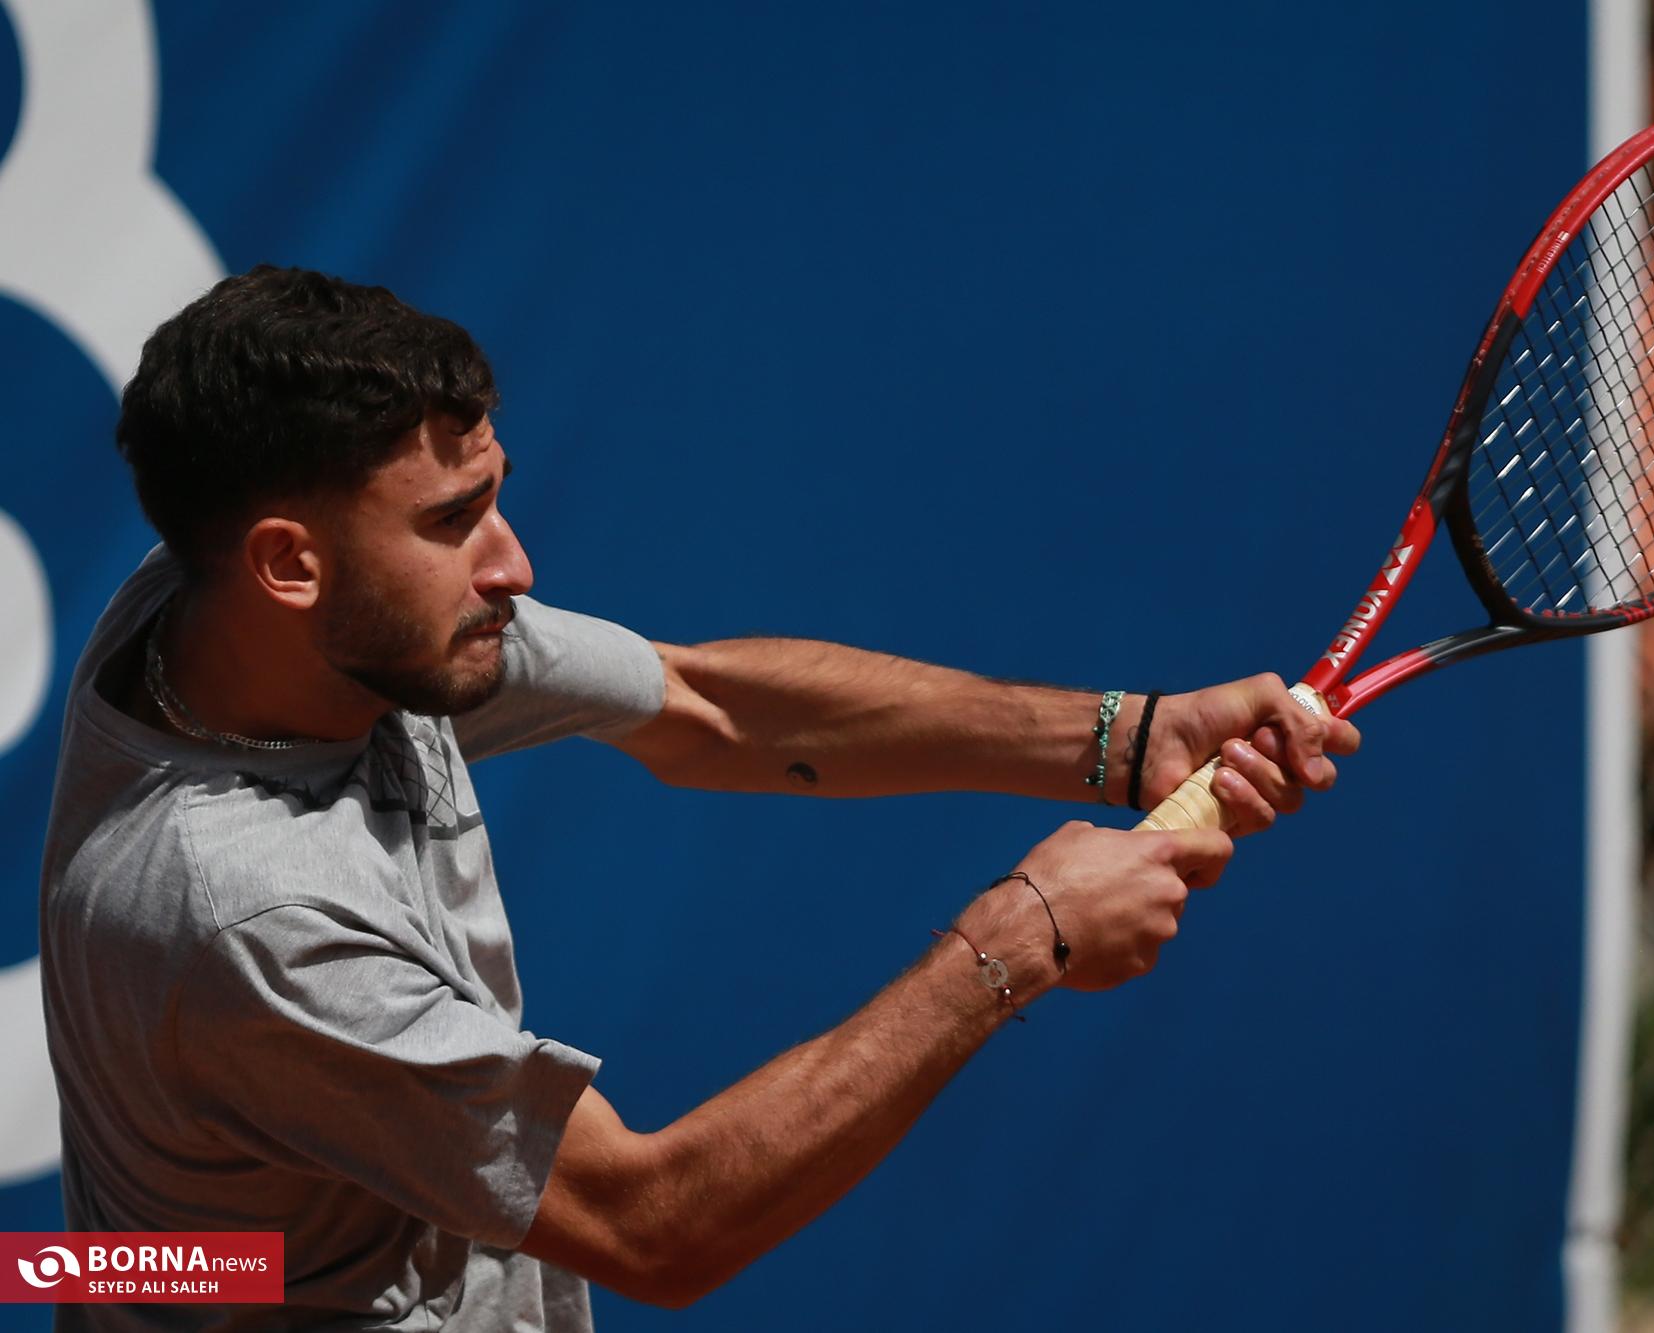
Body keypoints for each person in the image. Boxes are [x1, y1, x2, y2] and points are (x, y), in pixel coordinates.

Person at [40, 266, 1360, 1329]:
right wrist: (1022, 939)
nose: (514, 565)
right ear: (288, 564)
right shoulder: (247, 914)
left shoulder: (259, 621)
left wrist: (1128, 740)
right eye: (451, 523)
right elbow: (654, 1224)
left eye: (494, 500)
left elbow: (707, 705)